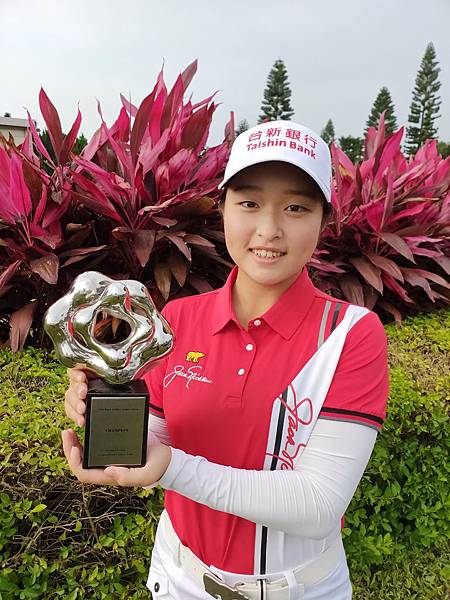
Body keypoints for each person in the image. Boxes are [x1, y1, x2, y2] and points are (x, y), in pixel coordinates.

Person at [62, 120, 389, 600]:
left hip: (299, 590)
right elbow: (154, 437)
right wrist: (102, 410)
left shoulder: (349, 334)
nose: (269, 230)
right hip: (178, 577)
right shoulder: (178, 319)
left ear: (323, 220)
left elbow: (318, 505)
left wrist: (170, 468)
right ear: (223, 210)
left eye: (296, 207)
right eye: (249, 203)